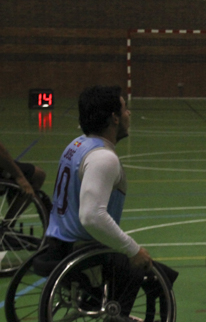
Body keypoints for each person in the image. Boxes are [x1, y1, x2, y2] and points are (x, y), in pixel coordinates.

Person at [38, 86, 152, 271]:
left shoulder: (77, 144)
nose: (128, 113)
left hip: (57, 243)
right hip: (82, 252)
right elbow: (92, 217)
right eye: (124, 108)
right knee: (157, 276)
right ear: (114, 117)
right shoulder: (103, 158)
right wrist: (133, 250)